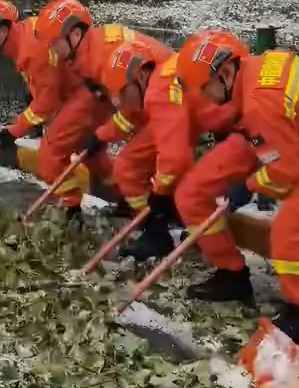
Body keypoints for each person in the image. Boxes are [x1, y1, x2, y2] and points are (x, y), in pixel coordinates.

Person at [175, 29, 299, 341]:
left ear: (225, 73)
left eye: (206, 89)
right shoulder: (255, 74)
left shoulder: (258, 103)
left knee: (291, 228)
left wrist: (248, 185)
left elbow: (284, 173)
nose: (207, 99)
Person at [96, 38, 239, 261]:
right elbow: (129, 117)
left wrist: (159, 196)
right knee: (128, 167)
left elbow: (174, 159)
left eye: (123, 94)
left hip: (207, 120)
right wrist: (100, 136)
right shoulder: (154, 80)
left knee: (181, 184)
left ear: (141, 76)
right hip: (189, 117)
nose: (123, 102)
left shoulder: (158, 92)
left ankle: (163, 227)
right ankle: (157, 225)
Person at [33, 0, 171, 226]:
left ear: (75, 35)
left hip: (165, 105)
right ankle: (145, 212)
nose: (53, 51)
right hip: (157, 101)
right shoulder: (92, 50)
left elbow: (130, 112)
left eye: (55, 43)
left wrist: (102, 135)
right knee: (133, 165)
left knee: (132, 165)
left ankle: (154, 228)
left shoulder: (104, 60)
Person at [0, 0, 72, 158]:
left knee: (52, 161)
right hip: (72, 100)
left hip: (83, 98)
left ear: (2, 31)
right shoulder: (24, 37)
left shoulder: (32, 52)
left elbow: (47, 102)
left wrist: (13, 131)